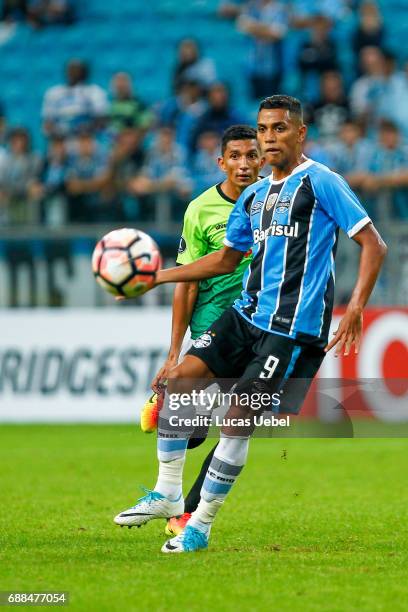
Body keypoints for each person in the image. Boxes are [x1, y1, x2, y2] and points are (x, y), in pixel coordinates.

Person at [114, 95, 387, 553]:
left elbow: (373, 243)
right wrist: (156, 276)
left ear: (300, 133)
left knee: (238, 418)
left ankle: (198, 526)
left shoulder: (322, 182)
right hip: (245, 316)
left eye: (280, 129)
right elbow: (224, 259)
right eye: (263, 129)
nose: (269, 138)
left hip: (291, 330)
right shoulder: (256, 196)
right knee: (178, 383)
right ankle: (167, 492)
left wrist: (356, 305)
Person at [139, 125, 263, 536]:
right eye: (235, 157)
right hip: (213, 326)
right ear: (221, 162)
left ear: (262, 159)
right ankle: (178, 421)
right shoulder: (200, 209)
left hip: (261, 327)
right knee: (195, 432)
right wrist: (173, 352)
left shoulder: (275, 202)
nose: (243, 164)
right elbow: (187, 282)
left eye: (252, 155)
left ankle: (185, 513)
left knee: (240, 423)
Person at [42, 59, 108, 138]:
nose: (73, 72)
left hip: (86, 139)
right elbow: (47, 124)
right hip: (61, 140)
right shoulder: (53, 93)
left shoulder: (95, 92)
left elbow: (102, 122)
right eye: (71, 69)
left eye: (77, 69)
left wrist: (84, 129)